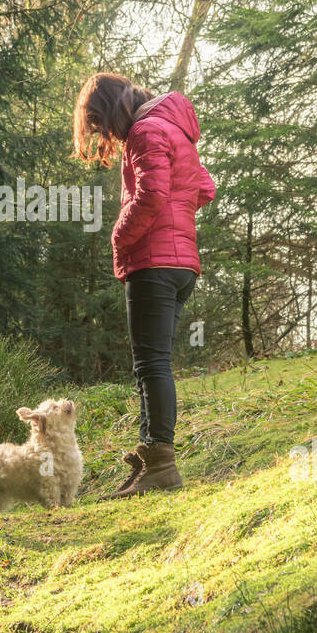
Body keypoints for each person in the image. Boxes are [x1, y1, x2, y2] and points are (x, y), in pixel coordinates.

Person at [73, 73, 215, 496]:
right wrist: (178, 210)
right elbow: (204, 187)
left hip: (153, 263)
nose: (105, 133)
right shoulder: (174, 129)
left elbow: (151, 194)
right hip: (182, 265)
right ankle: (150, 459)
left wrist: (119, 234)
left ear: (112, 108)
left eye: (99, 123)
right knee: (151, 365)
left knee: (151, 365)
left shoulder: (145, 130)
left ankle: (162, 465)